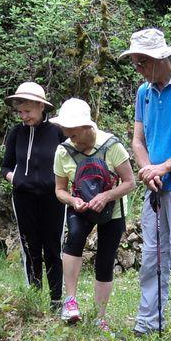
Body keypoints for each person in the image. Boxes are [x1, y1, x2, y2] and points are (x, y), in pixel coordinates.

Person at [121, 27, 171, 341]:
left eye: (142, 62)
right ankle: (147, 321)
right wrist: (147, 169)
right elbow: (138, 139)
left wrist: (165, 167)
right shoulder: (144, 92)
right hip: (154, 186)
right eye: (135, 62)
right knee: (152, 257)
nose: (137, 68)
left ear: (161, 58)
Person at [50, 98, 135, 328]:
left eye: (74, 134)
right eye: (66, 133)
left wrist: (106, 196)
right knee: (74, 239)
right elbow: (59, 190)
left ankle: (100, 317)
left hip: (113, 209)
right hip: (80, 207)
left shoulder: (112, 146)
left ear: (87, 128)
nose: (70, 139)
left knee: (105, 260)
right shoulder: (63, 151)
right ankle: (70, 302)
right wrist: (73, 200)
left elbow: (130, 182)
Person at [1, 81, 64, 311]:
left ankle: (56, 299)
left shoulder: (58, 132)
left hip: (53, 198)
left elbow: (70, 161)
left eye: (27, 111)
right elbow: (5, 166)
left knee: (53, 247)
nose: (23, 116)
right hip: (23, 198)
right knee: (30, 247)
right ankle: (34, 298)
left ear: (41, 107)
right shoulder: (16, 133)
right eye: (20, 111)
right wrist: (15, 179)